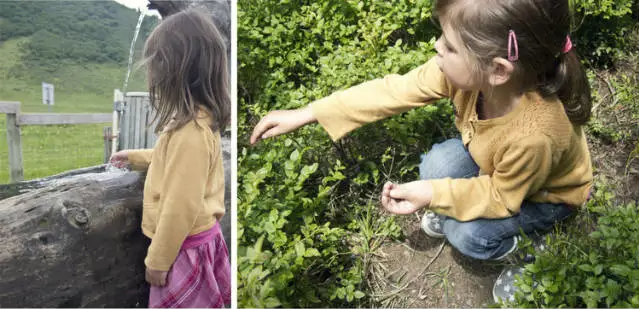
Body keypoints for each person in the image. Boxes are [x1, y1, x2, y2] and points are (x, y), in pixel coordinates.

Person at [250, 0, 592, 302]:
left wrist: (432, 194)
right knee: (437, 165)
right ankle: (458, 203)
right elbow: (394, 92)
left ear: (499, 69)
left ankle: (535, 247)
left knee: (467, 236)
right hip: (505, 170)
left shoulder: (536, 134)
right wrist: (309, 113)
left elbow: (502, 197)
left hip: (546, 197)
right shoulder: (473, 75)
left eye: (450, 46)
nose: (437, 47)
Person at [110, 9, 231, 308]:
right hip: (193, 242)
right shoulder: (197, 122)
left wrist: (158, 261)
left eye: (157, 63)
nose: (152, 73)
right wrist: (137, 157)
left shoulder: (190, 132)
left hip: (183, 251)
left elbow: (180, 205)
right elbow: (175, 164)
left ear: (178, 69)